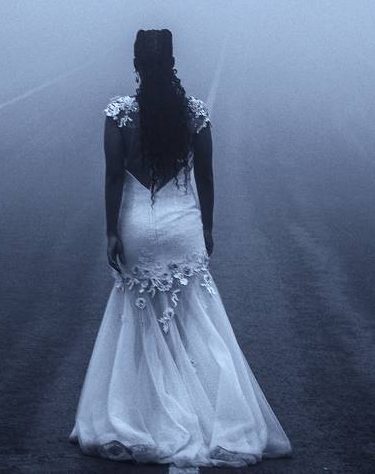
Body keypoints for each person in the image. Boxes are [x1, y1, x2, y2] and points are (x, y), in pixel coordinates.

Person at [71, 28, 291, 468]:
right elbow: (205, 177)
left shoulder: (119, 116)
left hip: (137, 225)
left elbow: (114, 176)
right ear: (172, 63)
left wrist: (112, 231)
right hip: (182, 225)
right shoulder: (195, 114)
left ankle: (142, 414)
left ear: (136, 65)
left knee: (140, 321)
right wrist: (206, 226)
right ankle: (210, 413)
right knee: (194, 320)